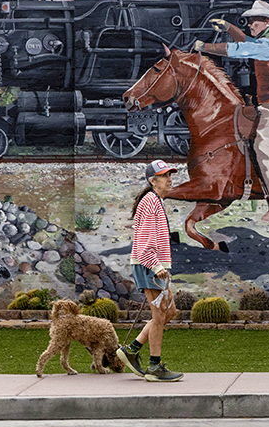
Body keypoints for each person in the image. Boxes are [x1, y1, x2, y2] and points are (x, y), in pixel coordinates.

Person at [194, 0, 269, 222]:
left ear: (267, 21)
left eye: (254, 21)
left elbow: (243, 48)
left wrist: (203, 48)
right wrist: (227, 27)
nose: (250, 25)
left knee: (264, 145)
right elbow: (248, 41)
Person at [116, 159, 183, 382]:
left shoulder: (154, 201)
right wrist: (156, 267)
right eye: (164, 176)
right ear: (153, 181)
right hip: (150, 267)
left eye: (169, 175)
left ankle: (132, 349)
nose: (169, 179)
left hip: (155, 267)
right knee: (159, 315)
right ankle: (154, 367)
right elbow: (144, 245)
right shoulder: (150, 202)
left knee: (169, 313)